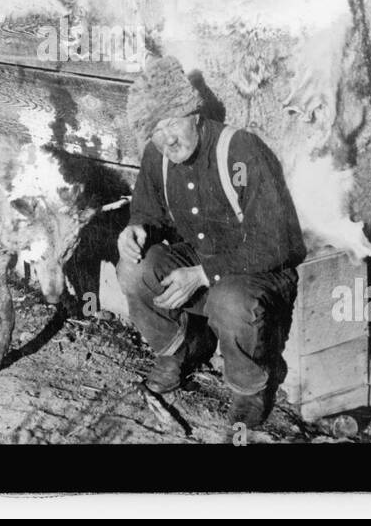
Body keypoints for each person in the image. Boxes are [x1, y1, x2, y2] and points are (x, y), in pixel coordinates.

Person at [117, 55, 305, 430]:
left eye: (172, 122)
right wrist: (135, 229)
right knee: (133, 269)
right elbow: (147, 212)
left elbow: (277, 243)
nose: (167, 137)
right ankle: (182, 349)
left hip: (260, 273)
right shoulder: (158, 156)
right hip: (200, 263)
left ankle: (250, 387)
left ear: (195, 115)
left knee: (229, 299)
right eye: (156, 130)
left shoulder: (240, 150)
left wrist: (205, 274)